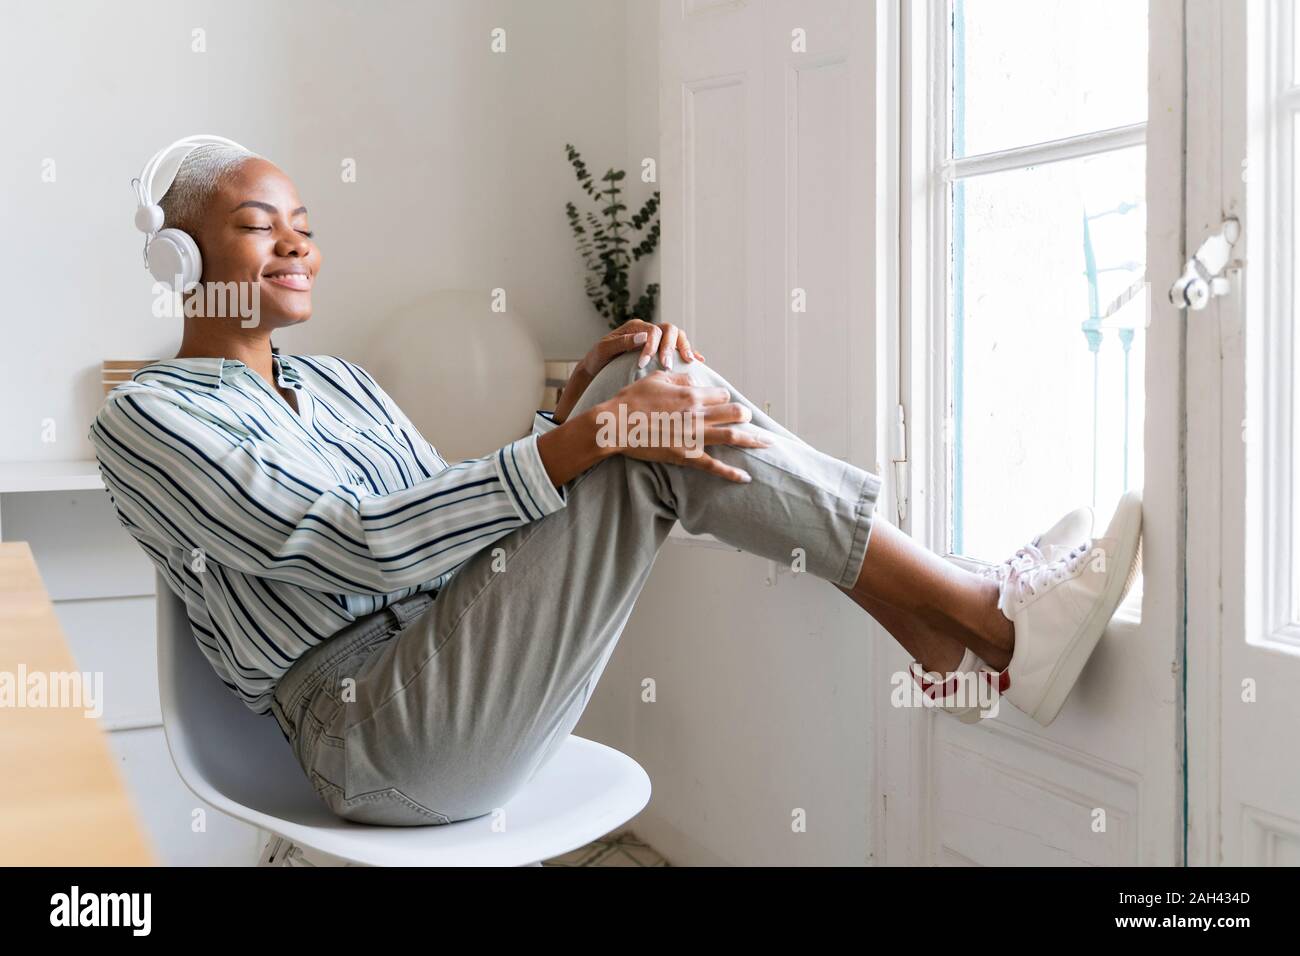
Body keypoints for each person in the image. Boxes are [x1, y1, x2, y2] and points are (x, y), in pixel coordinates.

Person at [89, 139, 1142, 826]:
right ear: (180, 258)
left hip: (447, 651)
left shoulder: (340, 380)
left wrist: (574, 408)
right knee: (643, 435)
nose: (299, 242)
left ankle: (950, 627)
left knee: (657, 385)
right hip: (375, 728)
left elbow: (439, 512)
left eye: (305, 222)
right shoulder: (147, 415)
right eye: (260, 224)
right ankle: (986, 623)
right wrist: (589, 441)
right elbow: (353, 540)